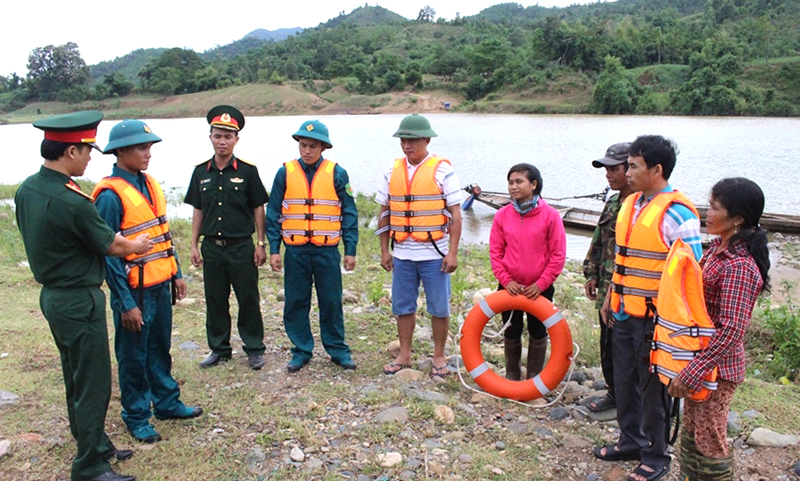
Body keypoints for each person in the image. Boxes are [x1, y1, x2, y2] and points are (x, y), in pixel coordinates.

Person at [15, 111, 151, 481]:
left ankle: (94, 442)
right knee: (93, 383)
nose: (91, 157)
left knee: (75, 375)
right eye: (87, 150)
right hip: (79, 299)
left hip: (53, 298)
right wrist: (137, 243)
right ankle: (89, 464)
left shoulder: (27, 188)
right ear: (71, 151)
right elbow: (112, 244)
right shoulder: (73, 201)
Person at [593, 135, 702, 481]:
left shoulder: (677, 214)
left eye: (634, 166)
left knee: (653, 390)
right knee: (624, 382)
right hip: (625, 311)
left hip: (656, 320)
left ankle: (656, 455)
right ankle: (630, 441)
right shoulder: (630, 204)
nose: (627, 173)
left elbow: (690, 276)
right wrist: (612, 295)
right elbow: (622, 261)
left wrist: (677, 327)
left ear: (656, 170)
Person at [93, 120, 203, 445]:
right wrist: (125, 303)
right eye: (142, 148)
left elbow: (161, 233)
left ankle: (167, 403)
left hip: (158, 283)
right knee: (133, 355)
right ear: (121, 151)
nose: (148, 153)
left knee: (159, 347)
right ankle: (137, 415)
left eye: (150, 146)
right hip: (133, 291)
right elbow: (108, 254)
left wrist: (177, 272)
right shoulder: (110, 196)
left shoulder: (150, 185)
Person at [669, 178, 768, 480]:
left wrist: (692, 371)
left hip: (717, 367)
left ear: (737, 219)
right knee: (693, 430)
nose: (706, 213)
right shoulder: (715, 250)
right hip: (699, 358)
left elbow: (732, 330)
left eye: (714, 208)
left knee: (710, 436)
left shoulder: (739, 266)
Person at [266, 120, 359, 372]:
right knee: (296, 301)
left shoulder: (338, 174)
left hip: (327, 250)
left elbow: (349, 212)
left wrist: (350, 249)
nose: (307, 151)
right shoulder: (284, 173)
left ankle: (337, 349)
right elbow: (274, 212)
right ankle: (301, 349)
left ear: (323, 147)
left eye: (313, 146)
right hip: (295, 251)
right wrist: (274, 248)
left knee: (331, 300)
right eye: (304, 145)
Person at [377, 114, 463, 378]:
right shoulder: (392, 171)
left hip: (434, 254)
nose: (407, 145)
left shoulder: (443, 170)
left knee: (439, 307)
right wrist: (384, 250)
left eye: (413, 140)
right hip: (402, 254)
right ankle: (404, 353)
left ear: (426, 139)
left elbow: (456, 214)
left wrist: (453, 252)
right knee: (403, 306)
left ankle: (439, 355)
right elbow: (384, 213)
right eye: (404, 140)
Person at [184, 105, 269, 370]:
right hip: (213, 248)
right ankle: (219, 348)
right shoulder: (200, 172)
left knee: (248, 299)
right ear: (210, 137)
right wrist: (194, 244)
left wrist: (261, 243)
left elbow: (258, 207)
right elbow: (198, 209)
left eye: (228, 136)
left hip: (241, 246)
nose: (222, 141)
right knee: (215, 299)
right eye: (218, 135)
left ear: (236, 139)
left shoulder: (247, 171)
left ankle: (254, 348)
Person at [490, 163, 566, 380]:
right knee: (511, 330)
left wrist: (541, 284)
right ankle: (512, 375)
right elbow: (495, 252)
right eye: (510, 182)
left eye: (519, 181)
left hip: (539, 288)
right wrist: (506, 280)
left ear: (533, 185)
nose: (513, 187)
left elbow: (558, 255)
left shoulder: (551, 216)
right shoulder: (503, 215)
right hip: (509, 287)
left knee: (538, 331)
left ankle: (534, 377)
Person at [582, 142, 634, 412]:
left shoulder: (643, 204)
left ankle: (631, 397)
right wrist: (590, 273)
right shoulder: (613, 202)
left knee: (628, 344)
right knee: (607, 341)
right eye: (606, 169)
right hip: (606, 286)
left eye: (614, 169)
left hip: (631, 291)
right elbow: (599, 240)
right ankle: (614, 392)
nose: (608, 174)